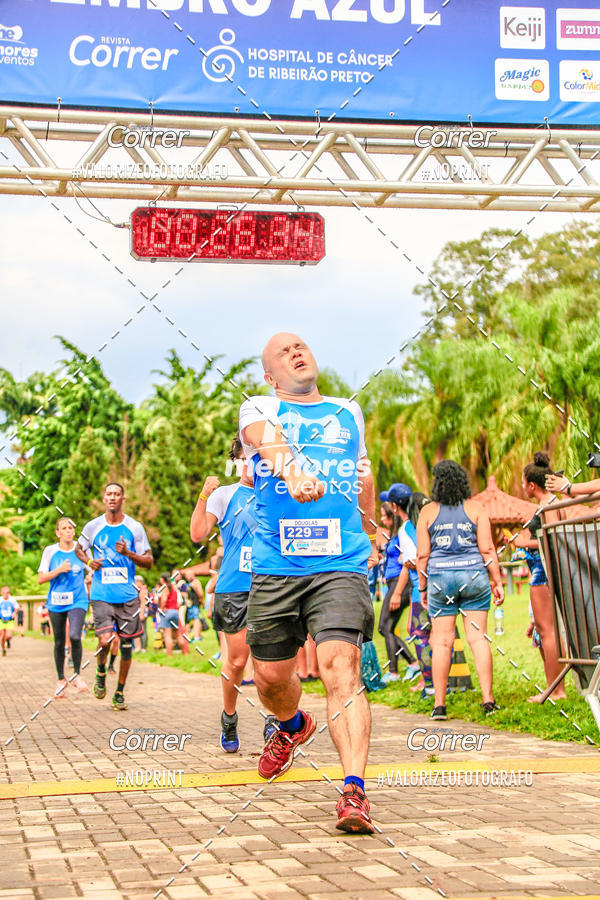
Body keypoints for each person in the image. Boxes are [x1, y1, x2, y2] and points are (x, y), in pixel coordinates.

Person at [239, 332, 378, 835]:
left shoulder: (348, 412)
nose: (296, 351)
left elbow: (362, 475)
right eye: (283, 351)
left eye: (301, 345)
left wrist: (370, 525)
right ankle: (293, 725)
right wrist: (294, 471)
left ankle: (354, 791)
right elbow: (264, 440)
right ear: (271, 376)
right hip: (277, 565)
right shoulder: (257, 405)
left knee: (340, 666)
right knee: (272, 678)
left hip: (341, 562)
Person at [190, 437, 275, 752]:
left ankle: (273, 720)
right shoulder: (225, 495)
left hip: (272, 585)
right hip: (234, 588)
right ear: (238, 461)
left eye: (261, 460)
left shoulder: (277, 495)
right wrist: (204, 494)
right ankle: (229, 717)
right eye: (248, 459)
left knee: (270, 662)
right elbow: (198, 534)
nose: (255, 465)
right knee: (237, 661)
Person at [416, 460, 504, 721]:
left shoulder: (428, 513)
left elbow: (423, 555)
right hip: (474, 575)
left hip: (441, 579)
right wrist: (497, 581)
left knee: (441, 642)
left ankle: (440, 705)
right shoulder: (476, 508)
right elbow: (487, 550)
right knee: (478, 639)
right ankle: (488, 701)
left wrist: (423, 587)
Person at [76, 482, 153, 711]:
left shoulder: (134, 527)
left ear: (123, 499)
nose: (112, 497)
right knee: (105, 640)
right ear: (104, 498)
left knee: (127, 645)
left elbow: (148, 561)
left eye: (117, 494)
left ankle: (119, 691)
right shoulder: (93, 526)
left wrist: (128, 553)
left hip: (128, 596)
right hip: (101, 594)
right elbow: (79, 549)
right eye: (109, 494)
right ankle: (100, 672)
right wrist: (89, 562)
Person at [517, 452, 567, 702]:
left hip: (543, 571)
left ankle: (555, 690)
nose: (521, 486)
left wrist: (525, 541)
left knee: (547, 632)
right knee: (547, 631)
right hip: (543, 570)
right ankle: (555, 688)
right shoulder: (551, 503)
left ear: (532, 485)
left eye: (523, 482)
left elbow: (551, 540)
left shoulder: (549, 505)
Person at [386, 485, 433, 698]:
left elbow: (416, 560)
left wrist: (406, 560)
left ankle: (431, 683)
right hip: (434, 589)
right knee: (435, 637)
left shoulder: (405, 529)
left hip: (420, 592)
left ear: (395, 507)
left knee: (421, 637)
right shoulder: (420, 523)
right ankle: (436, 681)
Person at [38, 517, 90, 696]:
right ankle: (61, 679)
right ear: (58, 533)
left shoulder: (81, 549)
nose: (68, 531)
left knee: (75, 636)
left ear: (74, 531)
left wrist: (90, 577)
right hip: (56, 601)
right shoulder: (50, 551)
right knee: (59, 642)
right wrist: (58, 570)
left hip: (78, 600)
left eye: (70, 528)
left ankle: (76, 675)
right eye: (64, 528)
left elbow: (92, 569)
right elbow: (41, 579)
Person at [377, 494, 418, 683]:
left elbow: (407, 561)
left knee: (385, 627)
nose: (381, 519)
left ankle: (402, 668)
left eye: (384, 516)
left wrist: (398, 592)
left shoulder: (403, 531)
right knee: (387, 628)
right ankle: (407, 665)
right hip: (393, 583)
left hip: (400, 584)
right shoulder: (393, 534)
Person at [157, 574, 189, 656]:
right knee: (178, 634)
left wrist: (161, 608)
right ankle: (184, 653)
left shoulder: (165, 588)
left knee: (167, 635)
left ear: (163, 580)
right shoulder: (174, 588)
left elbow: (164, 600)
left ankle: (169, 655)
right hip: (175, 612)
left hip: (167, 612)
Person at [0, 586, 17, 657]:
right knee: (2, 636)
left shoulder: (12, 600)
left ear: (9, 593)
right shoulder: (0, 600)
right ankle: (3, 649)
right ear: (1, 593)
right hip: (1, 620)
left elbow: (16, 608)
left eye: (7, 592)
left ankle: (8, 640)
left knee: (9, 635)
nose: (5, 594)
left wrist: (14, 613)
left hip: (10, 620)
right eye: (4, 592)